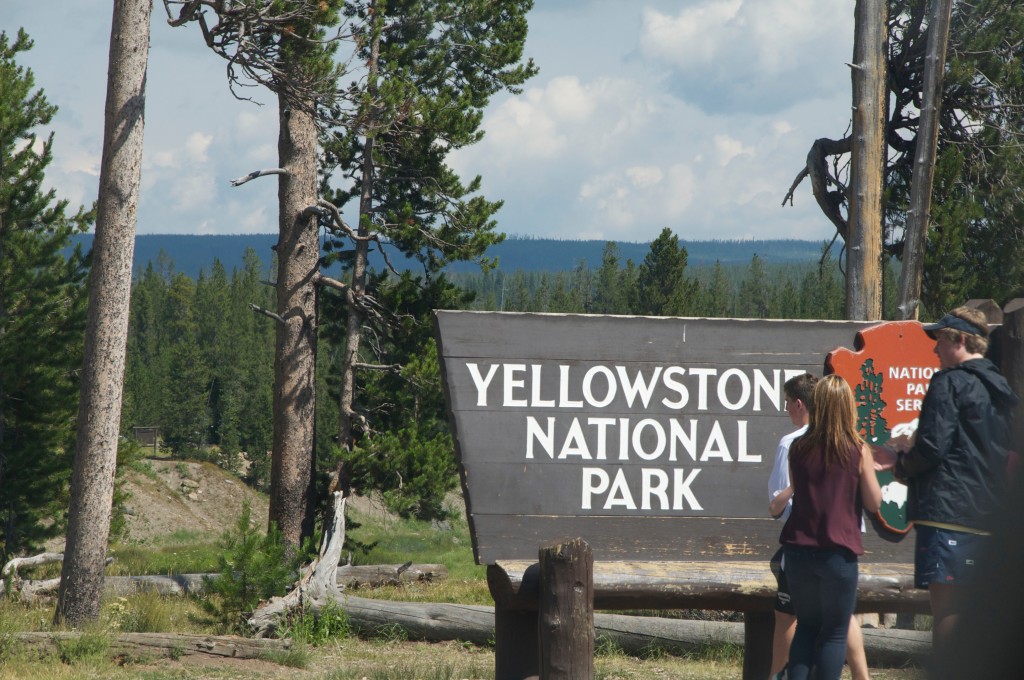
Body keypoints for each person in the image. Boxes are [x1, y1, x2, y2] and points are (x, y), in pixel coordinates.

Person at [876, 306, 1018, 653]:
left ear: (960, 340)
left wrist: (900, 462)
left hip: (947, 514)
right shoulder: (1002, 388)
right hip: (989, 516)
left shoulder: (949, 383)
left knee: (948, 612)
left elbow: (932, 447)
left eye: (940, 340)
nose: (935, 349)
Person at [767, 373, 871, 680]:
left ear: (800, 404)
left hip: (803, 544)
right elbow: (873, 501)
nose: (786, 409)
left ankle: (777, 675)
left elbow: (780, 504)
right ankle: (862, 676)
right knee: (837, 623)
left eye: (787, 403)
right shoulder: (854, 444)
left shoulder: (795, 444)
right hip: (843, 545)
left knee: (799, 622)